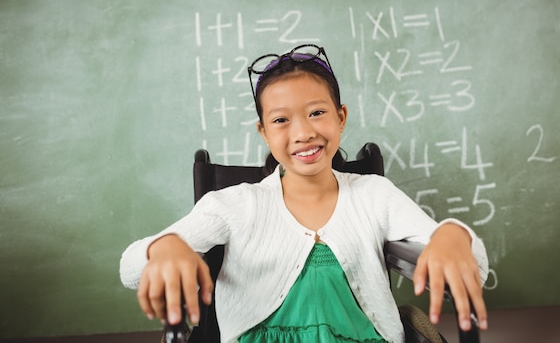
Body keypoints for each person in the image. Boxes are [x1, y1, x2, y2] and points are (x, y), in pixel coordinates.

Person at [119, 44, 489, 343]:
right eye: (281, 120)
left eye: (317, 113)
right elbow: (131, 269)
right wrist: (164, 247)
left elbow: (475, 265)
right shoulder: (235, 204)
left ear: (341, 117)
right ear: (263, 132)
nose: (302, 132)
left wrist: (453, 235)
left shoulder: (374, 194)